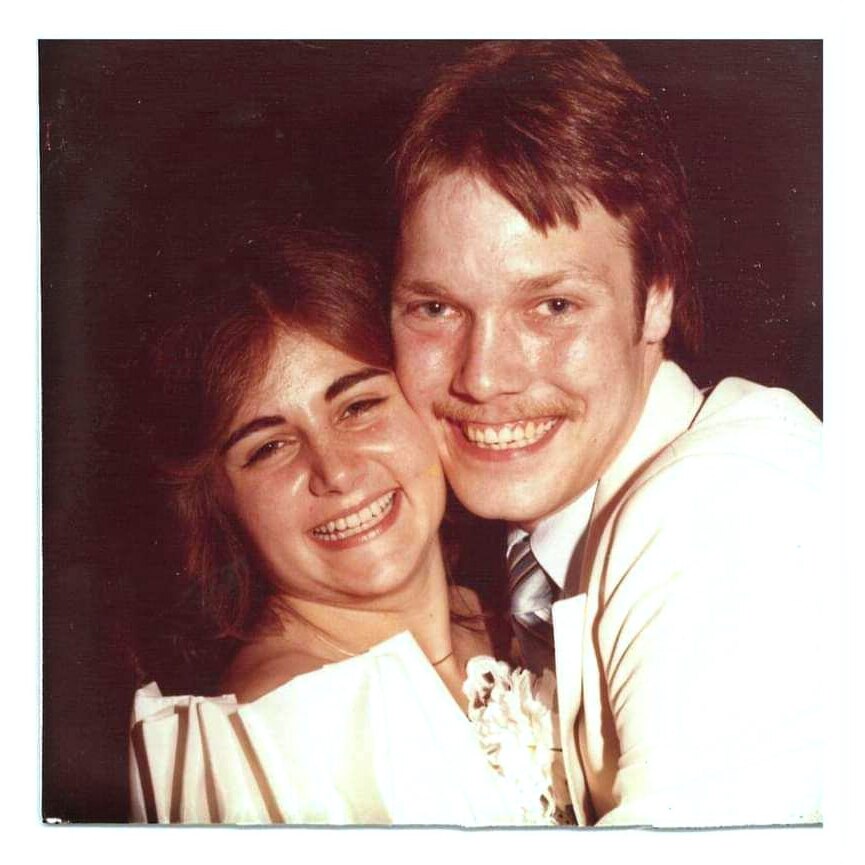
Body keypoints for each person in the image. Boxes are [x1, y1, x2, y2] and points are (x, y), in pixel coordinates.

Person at [390, 41, 823, 827]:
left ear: (656, 298)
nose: (483, 376)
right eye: (436, 308)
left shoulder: (727, 517)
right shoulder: (552, 527)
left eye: (552, 306)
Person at [128, 228, 570, 825]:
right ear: (219, 504)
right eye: (270, 447)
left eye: (358, 407)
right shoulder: (280, 734)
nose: (334, 471)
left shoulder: (513, 617)